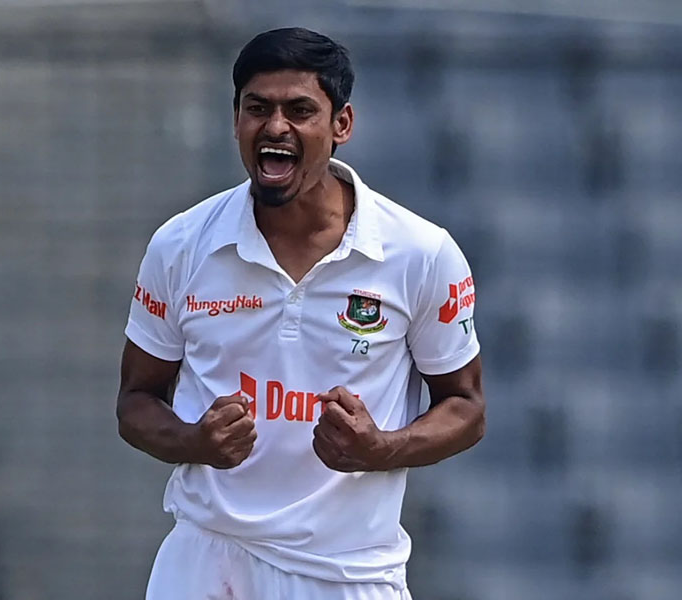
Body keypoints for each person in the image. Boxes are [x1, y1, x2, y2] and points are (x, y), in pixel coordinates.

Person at [117, 27, 485, 600]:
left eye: (300, 110)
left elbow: (466, 407)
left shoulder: (420, 252)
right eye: (257, 108)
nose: (275, 127)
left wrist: (381, 449)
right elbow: (135, 401)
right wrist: (194, 441)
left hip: (347, 572)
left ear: (342, 124)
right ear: (235, 120)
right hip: (206, 559)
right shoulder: (181, 244)